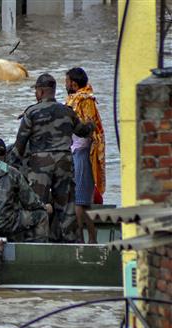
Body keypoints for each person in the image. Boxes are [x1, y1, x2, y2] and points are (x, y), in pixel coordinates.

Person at [13, 73, 94, 243]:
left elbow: (20, 144)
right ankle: (70, 243)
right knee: (66, 205)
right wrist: (91, 125)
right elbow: (82, 131)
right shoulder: (67, 111)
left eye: (36, 91)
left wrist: (13, 167)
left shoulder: (31, 113)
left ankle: (37, 242)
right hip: (64, 161)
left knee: (37, 204)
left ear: (41, 92)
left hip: (40, 164)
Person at [65, 67, 105, 243]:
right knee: (80, 201)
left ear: (73, 83)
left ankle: (86, 239)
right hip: (76, 151)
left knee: (80, 202)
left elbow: (89, 129)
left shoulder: (84, 100)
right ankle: (89, 238)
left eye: (66, 81)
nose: (65, 84)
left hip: (82, 153)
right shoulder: (78, 99)